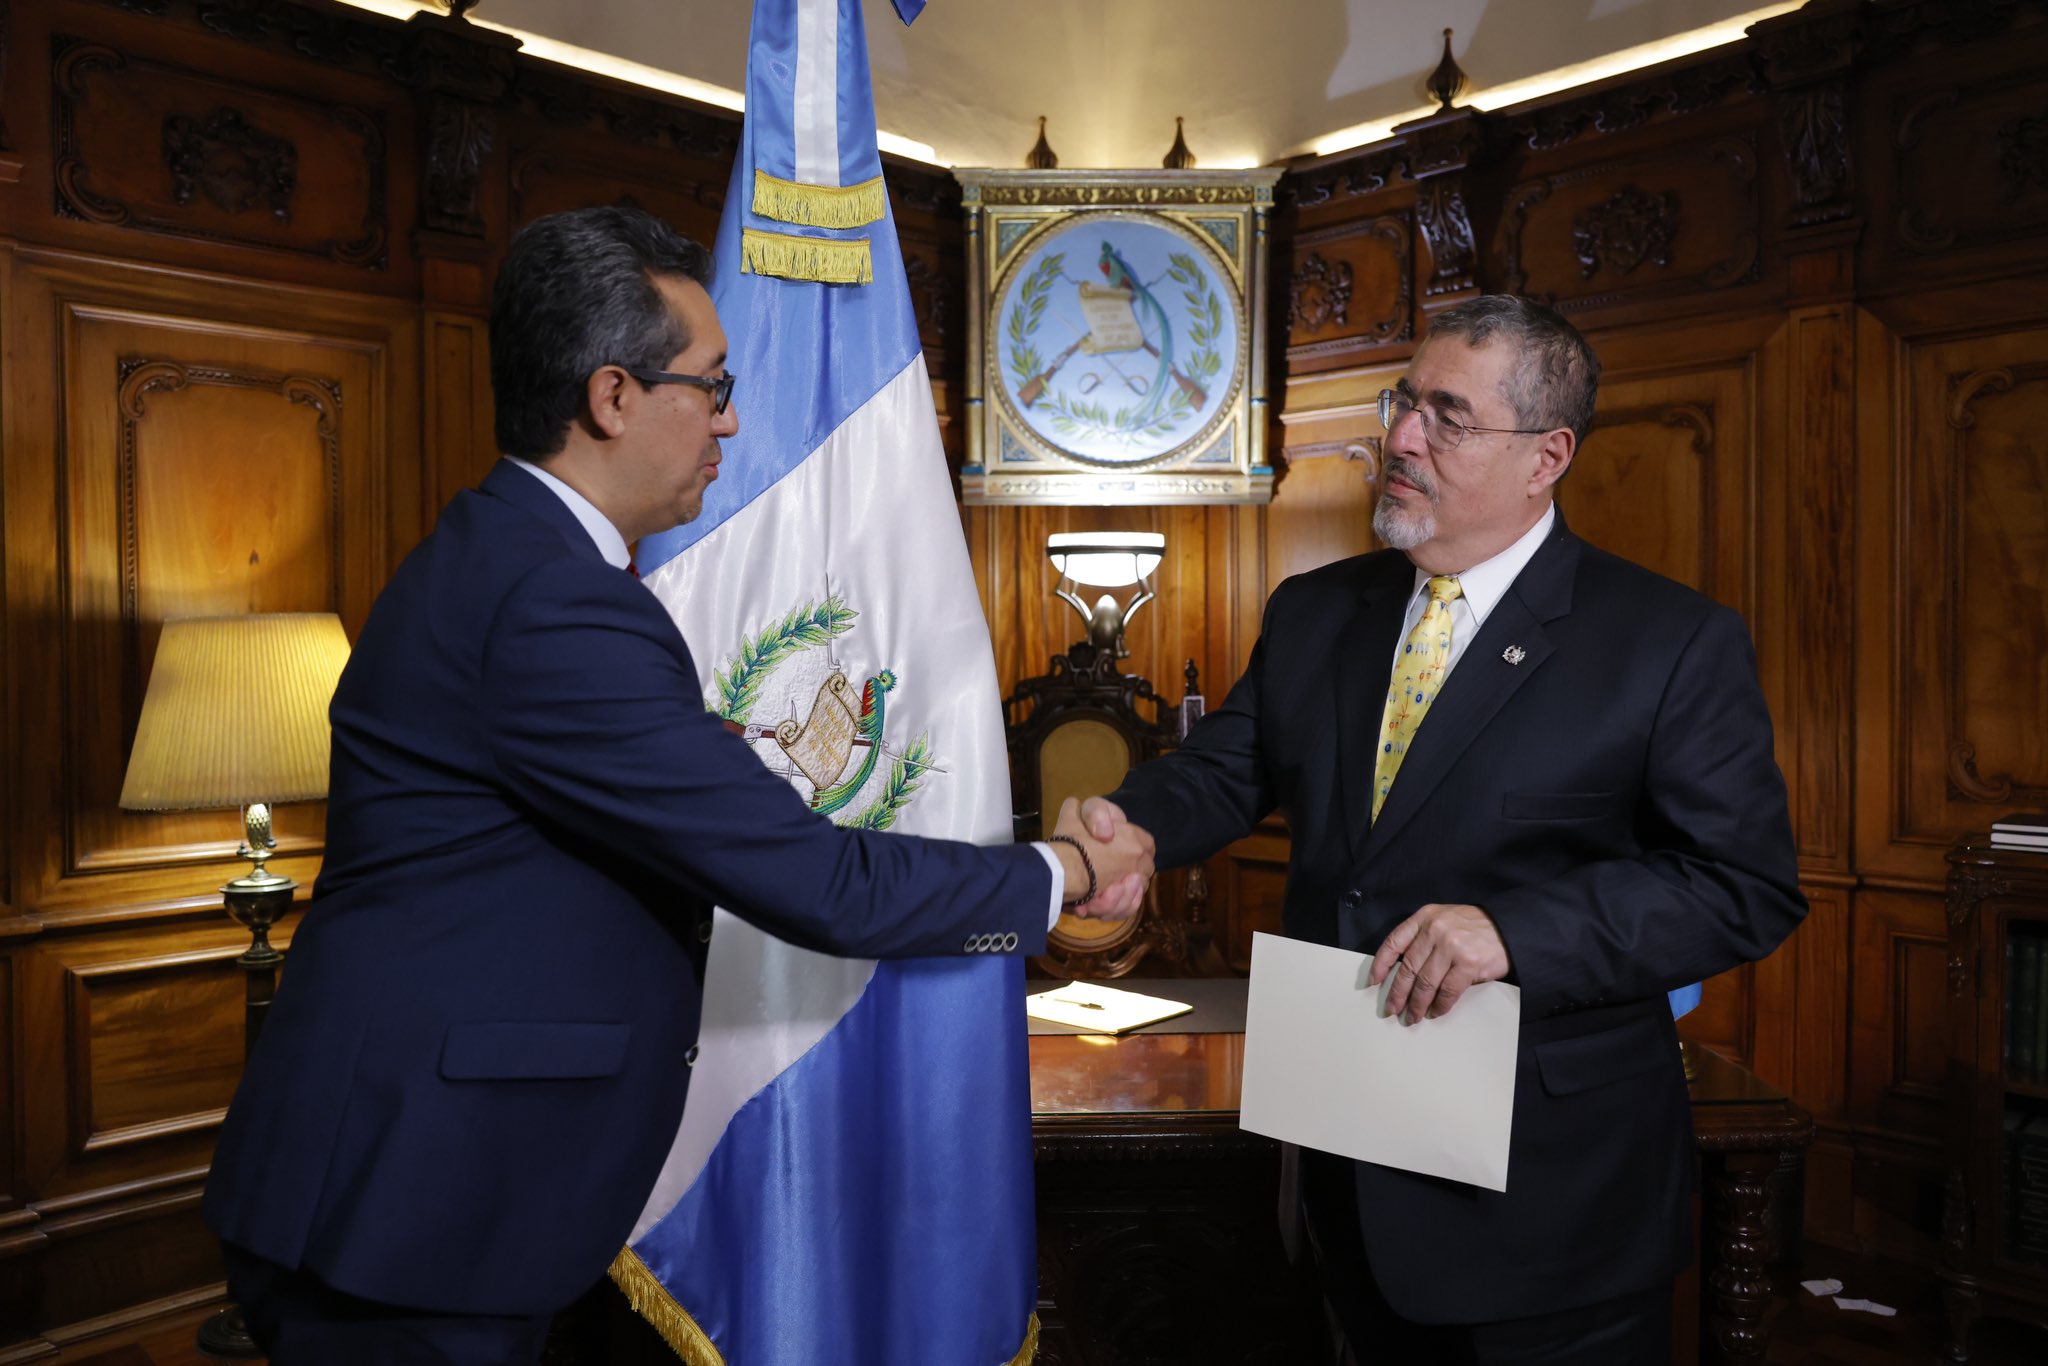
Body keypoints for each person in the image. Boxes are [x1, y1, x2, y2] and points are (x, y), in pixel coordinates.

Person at [200, 205, 1153, 1364]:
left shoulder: (509, 554)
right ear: (611, 397)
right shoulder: (551, 600)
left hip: (421, 1179)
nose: (730, 419)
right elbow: (815, 882)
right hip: (416, 1202)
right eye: (710, 385)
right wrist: (1064, 873)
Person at [1087, 295, 1806, 1364]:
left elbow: (1742, 885)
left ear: (1546, 457)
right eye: (1402, 402)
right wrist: (1123, 828)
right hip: (1340, 1154)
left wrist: (1514, 932)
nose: (1402, 438)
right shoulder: (1315, 609)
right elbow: (1221, 772)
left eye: (1448, 417)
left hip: (1548, 1203)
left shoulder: (1669, 642)